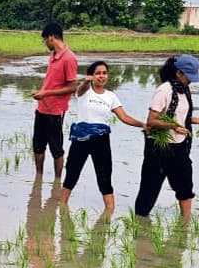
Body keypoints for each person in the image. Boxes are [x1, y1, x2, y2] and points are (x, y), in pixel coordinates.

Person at [134, 55, 199, 220]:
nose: (191, 81)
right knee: (149, 188)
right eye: (189, 77)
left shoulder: (184, 90)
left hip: (179, 146)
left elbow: (182, 117)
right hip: (158, 148)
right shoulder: (164, 91)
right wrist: (173, 126)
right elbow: (151, 121)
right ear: (179, 73)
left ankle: (185, 224)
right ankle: (140, 228)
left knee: (185, 186)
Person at [59, 61, 146, 212]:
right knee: (72, 174)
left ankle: (109, 211)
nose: (102, 76)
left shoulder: (111, 96)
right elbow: (81, 89)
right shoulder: (84, 92)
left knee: (104, 176)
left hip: (101, 140)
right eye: (98, 73)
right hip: (81, 139)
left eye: (104, 73)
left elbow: (124, 117)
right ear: (91, 76)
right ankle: (62, 206)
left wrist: (143, 124)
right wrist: (86, 80)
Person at [31, 22, 79, 179]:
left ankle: (57, 182)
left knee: (56, 148)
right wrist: (41, 93)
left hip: (56, 111)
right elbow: (51, 82)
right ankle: (38, 178)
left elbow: (73, 87)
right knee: (38, 147)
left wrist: (47, 93)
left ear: (51, 37)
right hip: (42, 108)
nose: (45, 43)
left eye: (45, 39)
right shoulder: (52, 57)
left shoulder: (69, 58)